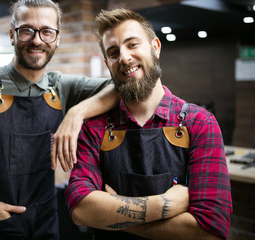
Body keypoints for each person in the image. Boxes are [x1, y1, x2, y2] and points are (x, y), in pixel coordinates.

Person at [0, 0, 117, 239]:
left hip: (45, 219)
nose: (37, 40)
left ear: (57, 39)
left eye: (47, 31)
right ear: (12, 35)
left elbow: (119, 86)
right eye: (27, 30)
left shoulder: (59, 87)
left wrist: (76, 113)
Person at [65, 8, 232, 240]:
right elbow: (81, 210)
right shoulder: (95, 128)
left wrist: (109, 216)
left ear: (155, 47)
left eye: (132, 44)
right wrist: (164, 205)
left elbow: (211, 229)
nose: (124, 57)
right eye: (114, 52)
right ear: (107, 62)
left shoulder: (199, 123)